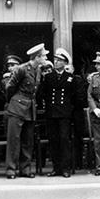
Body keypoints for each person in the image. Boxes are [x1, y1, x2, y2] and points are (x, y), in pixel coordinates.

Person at [5, 43, 48, 179]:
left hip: (30, 109)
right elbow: (9, 87)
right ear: (37, 57)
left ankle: (25, 169)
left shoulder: (38, 70)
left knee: (27, 140)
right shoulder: (21, 69)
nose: (46, 58)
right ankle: (11, 169)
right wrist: (15, 101)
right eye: (44, 56)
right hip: (17, 107)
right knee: (14, 140)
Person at [41, 48, 77, 178]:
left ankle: (65, 168)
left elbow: (74, 97)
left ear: (65, 63)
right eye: (55, 60)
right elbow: (43, 93)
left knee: (64, 140)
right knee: (53, 140)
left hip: (64, 114)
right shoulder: (48, 77)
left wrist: (69, 110)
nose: (56, 62)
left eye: (59, 60)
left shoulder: (71, 78)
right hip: (51, 113)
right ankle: (56, 168)